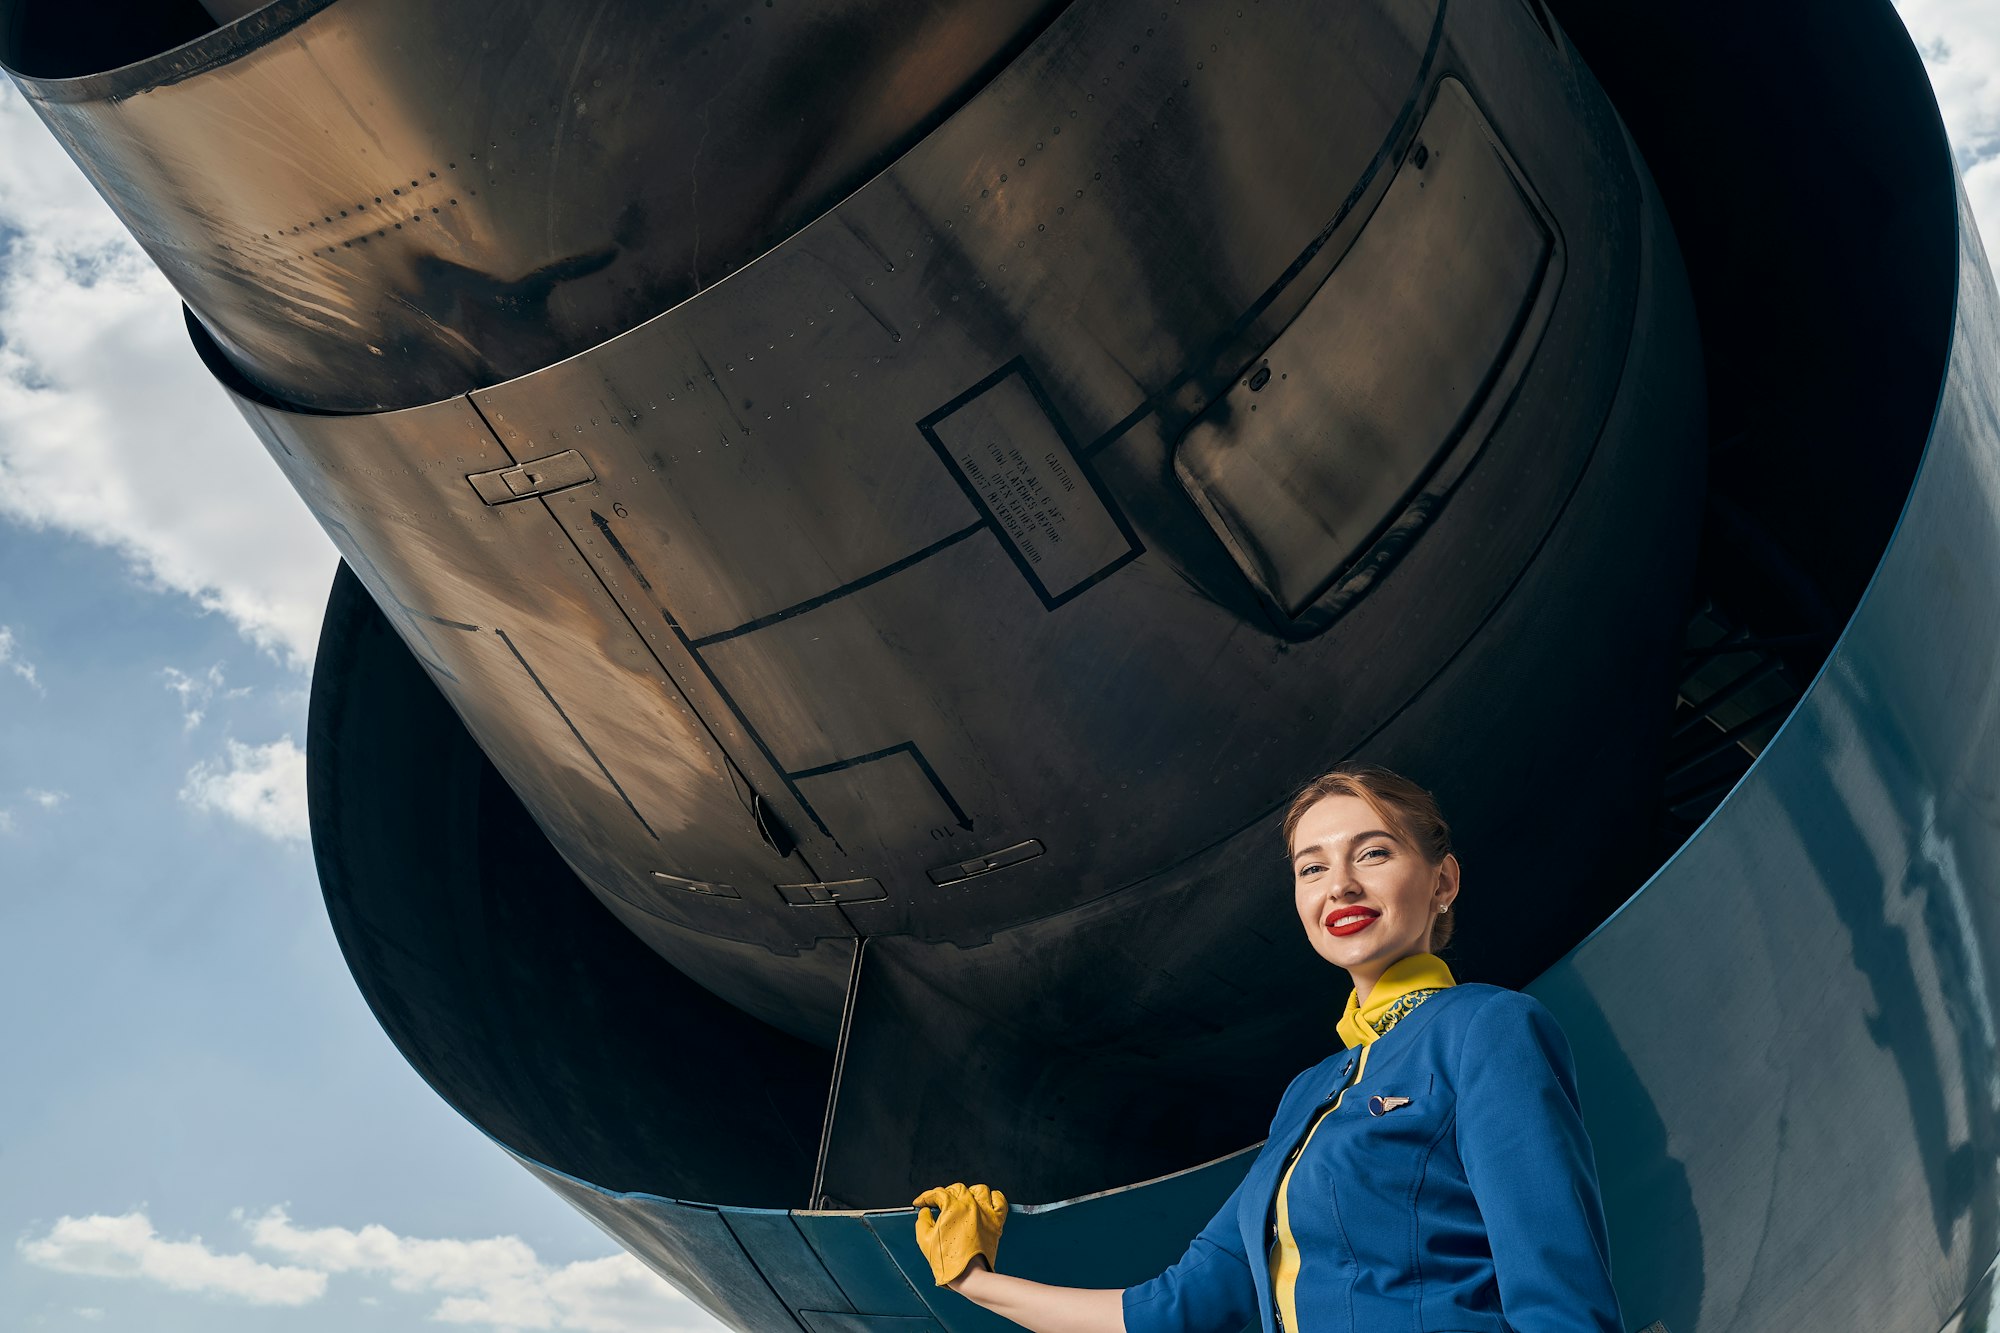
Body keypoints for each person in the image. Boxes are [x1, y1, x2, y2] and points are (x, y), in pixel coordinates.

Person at [911, 763, 1625, 1333]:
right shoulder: (1308, 1095)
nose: (1340, 883)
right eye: (1312, 867)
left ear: (1443, 881)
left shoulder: (1487, 1026)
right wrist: (975, 1281)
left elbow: (1563, 1303)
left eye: (1372, 853)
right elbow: (1175, 1309)